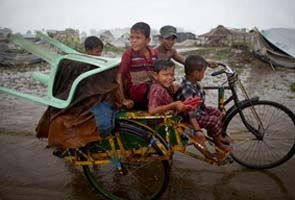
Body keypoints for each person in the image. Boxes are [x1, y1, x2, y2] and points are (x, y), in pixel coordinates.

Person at [148, 59, 212, 159]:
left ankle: (208, 154)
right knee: (192, 132)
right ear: (156, 76)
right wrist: (173, 105)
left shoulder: (164, 86)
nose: (169, 78)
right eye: (165, 75)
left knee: (193, 130)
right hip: (161, 122)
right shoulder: (156, 89)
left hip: (169, 118)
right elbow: (152, 110)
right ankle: (208, 155)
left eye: (172, 75)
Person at [176, 55, 232, 156]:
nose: (204, 75)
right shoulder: (187, 88)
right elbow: (190, 113)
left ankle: (215, 134)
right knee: (214, 121)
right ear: (196, 73)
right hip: (190, 117)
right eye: (203, 72)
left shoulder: (194, 83)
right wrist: (197, 130)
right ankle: (218, 143)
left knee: (218, 113)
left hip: (199, 110)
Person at [116, 22, 158, 109]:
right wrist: (123, 99)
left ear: (148, 40)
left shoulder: (154, 53)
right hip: (136, 92)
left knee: (173, 87)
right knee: (156, 90)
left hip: (150, 88)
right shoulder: (129, 54)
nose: (133, 41)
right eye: (131, 37)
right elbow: (119, 76)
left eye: (138, 38)